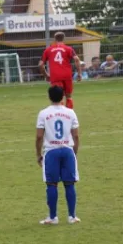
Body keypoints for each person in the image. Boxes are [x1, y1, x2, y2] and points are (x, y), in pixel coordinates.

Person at [36, 86, 80, 225]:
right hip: (67, 150)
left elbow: (39, 137)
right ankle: (72, 216)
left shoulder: (43, 113)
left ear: (49, 97)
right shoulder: (71, 112)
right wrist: (74, 152)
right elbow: (76, 135)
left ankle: (53, 217)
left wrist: (38, 154)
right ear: (63, 97)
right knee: (69, 184)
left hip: (51, 151)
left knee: (51, 184)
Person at [38, 32, 81, 109]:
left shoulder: (48, 50)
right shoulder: (68, 49)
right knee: (68, 96)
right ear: (63, 38)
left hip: (55, 75)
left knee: (58, 97)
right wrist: (79, 73)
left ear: (55, 39)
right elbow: (77, 59)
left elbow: (40, 64)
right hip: (67, 75)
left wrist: (46, 75)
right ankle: (69, 115)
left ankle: (60, 114)